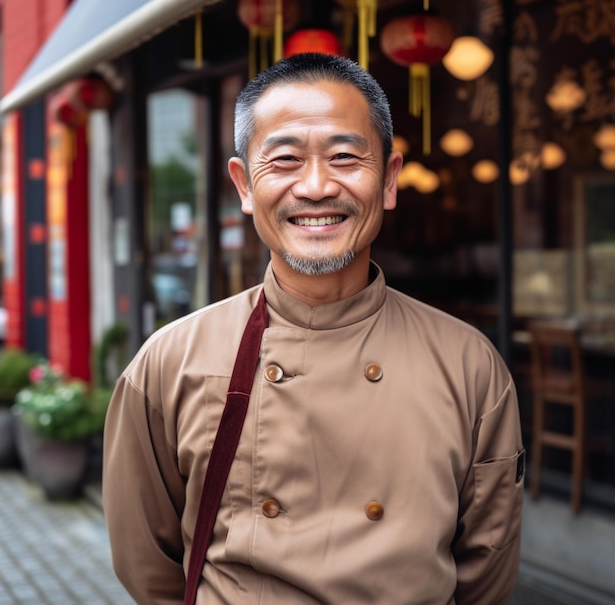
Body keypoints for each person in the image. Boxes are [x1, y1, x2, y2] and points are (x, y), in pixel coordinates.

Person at [103, 52, 525, 605]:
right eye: (284, 160)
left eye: (346, 156)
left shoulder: (470, 366)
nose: (318, 186)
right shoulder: (169, 361)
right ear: (244, 185)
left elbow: (484, 574)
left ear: (390, 180)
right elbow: (147, 564)